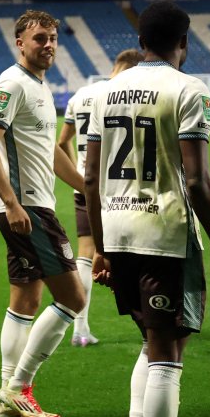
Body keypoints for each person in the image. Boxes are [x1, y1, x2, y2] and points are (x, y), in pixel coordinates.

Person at [85, 1, 210, 417]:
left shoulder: (103, 92)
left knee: (154, 341)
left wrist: (99, 246)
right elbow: (196, 177)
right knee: (168, 350)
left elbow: (90, 177)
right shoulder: (190, 91)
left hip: (117, 231)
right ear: (184, 43)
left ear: (140, 42)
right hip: (164, 233)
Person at [0, 9, 86, 417]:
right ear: (20, 42)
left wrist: (85, 185)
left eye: (53, 37)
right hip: (28, 210)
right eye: (40, 38)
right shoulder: (12, 84)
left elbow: (49, 151)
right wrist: (12, 202)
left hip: (31, 206)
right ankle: (19, 387)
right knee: (74, 299)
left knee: (25, 300)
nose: (49, 45)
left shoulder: (39, 87)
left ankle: (7, 395)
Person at [57, 48, 144, 347]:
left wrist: (77, 171)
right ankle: (149, 318)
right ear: (133, 69)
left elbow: (62, 141)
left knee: (86, 254)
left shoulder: (80, 95)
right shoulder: (126, 96)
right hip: (120, 187)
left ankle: (80, 328)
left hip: (84, 184)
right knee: (137, 249)